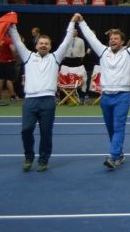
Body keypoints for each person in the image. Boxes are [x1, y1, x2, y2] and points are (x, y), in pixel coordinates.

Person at [76, 15, 130, 170]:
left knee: (119, 127)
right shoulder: (103, 51)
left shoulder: (129, 52)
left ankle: (113, 156)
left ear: (122, 42)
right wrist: (81, 22)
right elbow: (90, 37)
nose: (113, 40)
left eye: (116, 38)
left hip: (122, 97)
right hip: (106, 98)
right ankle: (119, 154)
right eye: (111, 38)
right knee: (111, 128)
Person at [9, 15, 78, 171]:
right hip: (30, 101)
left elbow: (67, 40)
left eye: (46, 43)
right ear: (36, 45)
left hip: (48, 101)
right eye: (41, 43)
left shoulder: (55, 57)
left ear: (50, 46)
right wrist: (11, 25)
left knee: (46, 132)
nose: (44, 45)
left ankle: (43, 160)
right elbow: (17, 41)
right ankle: (29, 157)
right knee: (26, 130)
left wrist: (72, 23)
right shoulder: (28, 57)